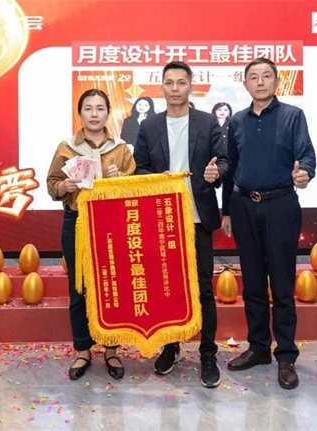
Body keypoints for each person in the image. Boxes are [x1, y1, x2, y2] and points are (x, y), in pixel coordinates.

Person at [221, 57, 316, 390]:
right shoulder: (236, 121)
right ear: (245, 84)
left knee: (282, 284)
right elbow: (230, 168)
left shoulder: (292, 116)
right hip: (244, 207)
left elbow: (307, 155)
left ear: (276, 82)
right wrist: (227, 211)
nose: (260, 82)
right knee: (253, 284)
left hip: (281, 206)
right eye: (253, 77)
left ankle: (286, 355)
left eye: (266, 76)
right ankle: (259, 347)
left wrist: (305, 173)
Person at [133, 61, 229, 388]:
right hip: (163, 220)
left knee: (203, 289)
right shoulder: (149, 126)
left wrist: (217, 173)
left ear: (191, 86)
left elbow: (224, 160)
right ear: (161, 87)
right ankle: (171, 347)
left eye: (181, 82)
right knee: (168, 289)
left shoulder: (207, 122)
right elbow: (139, 169)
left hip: (198, 218)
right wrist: (155, 179)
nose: (175, 88)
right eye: (169, 83)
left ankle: (207, 354)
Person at [47, 89, 136, 381]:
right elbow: (52, 185)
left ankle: (111, 349)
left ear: (108, 113)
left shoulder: (121, 149)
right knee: (79, 288)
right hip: (76, 222)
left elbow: (136, 188)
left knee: (113, 288)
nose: (94, 114)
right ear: (80, 113)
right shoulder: (66, 148)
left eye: (100, 108)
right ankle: (83, 350)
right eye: (88, 108)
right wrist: (65, 186)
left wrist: (121, 180)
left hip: (112, 223)